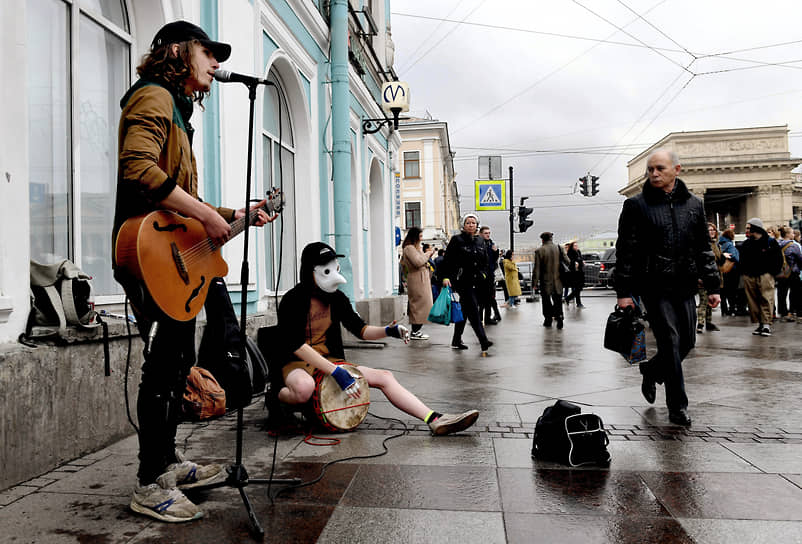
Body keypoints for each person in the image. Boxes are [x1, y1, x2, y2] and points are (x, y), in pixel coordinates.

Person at [111, 21, 277, 522]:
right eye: (209, 53)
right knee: (163, 367)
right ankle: (148, 481)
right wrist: (207, 216)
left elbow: (184, 205)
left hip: (171, 254)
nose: (217, 64)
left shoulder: (178, 113)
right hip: (147, 253)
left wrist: (234, 215)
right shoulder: (153, 97)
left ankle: (166, 463)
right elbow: (139, 168)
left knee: (177, 362)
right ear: (180, 52)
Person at [272, 242, 479, 436]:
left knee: (384, 377)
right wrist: (336, 372)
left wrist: (388, 331)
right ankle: (276, 398)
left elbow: (360, 329)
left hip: (330, 362)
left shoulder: (336, 298)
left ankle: (434, 419)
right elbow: (296, 345)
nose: (335, 275)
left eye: (335, 268)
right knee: (303, 388)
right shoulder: (293, 300)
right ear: (311, 272)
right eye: (327, 270)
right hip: (296, 364)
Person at [613, 149, 720, 427]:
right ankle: (678, 407)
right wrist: (623, 292)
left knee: (687, 342)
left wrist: (713, 285)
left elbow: (702, 248)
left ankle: (651, 369)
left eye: (660, 168)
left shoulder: (694, 204)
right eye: (650, 169)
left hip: (684, 284)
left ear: (677, 170)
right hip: (653, 285)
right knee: (670, 342)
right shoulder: (636, 206)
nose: (654, 174)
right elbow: (624, 250)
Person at [440, 214, 493, 353]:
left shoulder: (480, 241)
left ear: (477, 225)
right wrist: (445, 277)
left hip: (478, 282)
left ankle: (456, 339)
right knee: (473, 310)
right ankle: (483, 340)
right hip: (462, 281)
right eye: (468, 223)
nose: (471, 225)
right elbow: (448, 261)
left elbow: (485, 262)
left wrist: (484, 274)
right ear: (463, 225)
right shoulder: (457, 240)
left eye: (473, 223)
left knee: (464, 310)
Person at [740, 218, 782, 336]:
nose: (746, 230)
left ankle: (766, 324)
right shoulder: (747, 243)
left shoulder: (770, 242)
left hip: (765, 275)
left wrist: (772, 272)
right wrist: (744, 272)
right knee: (753, 301)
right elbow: (742, 259)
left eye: (748, 228)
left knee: (766, 298)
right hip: (749, 276)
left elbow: (778, 259)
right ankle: (760, 324)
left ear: (755, 228)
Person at [401, 227, 434, 340]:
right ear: (414, 237)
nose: (421, 238)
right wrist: (427, 254)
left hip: (421, 278)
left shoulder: (415, 248)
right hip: (417, 279)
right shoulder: (409, 248)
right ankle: (415, 331)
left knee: (424, 304)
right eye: (420, 236)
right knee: (419, 305)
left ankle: (416, 330)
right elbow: (418, 262)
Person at [534, 231, 569, 329]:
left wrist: (534, 283)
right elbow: (568, 261)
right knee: (558, 301)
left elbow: (536, 269)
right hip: (558, 281)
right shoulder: (559, 248)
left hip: (545, 282)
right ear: (551, 238)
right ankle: (560, 318)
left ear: (542, 239)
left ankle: (548, 319)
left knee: (546, 301)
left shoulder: (539, 251)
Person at [697, 223, 724, 333]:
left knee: (710, 301)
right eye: (709, 230)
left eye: (713, 230)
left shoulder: (716, 244)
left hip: (714, 277)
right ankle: (700, 323)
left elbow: (718, 261)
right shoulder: (702, 245)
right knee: (703, 301)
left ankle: (708, 322)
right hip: (704, 277)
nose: (712, 232)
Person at [777, 226, 802, 322]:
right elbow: (800, 258)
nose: (793, 234)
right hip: (792, 272)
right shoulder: (793, 245)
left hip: (781, 272)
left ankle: (783, 313)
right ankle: (798, 313)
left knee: (781, 293)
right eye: (792, 233)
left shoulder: (777, 244)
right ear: (787, 234)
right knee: (796, 293)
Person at [478, 226, 502, 325]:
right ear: (481, 234)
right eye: (485, 233)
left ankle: (487, 318)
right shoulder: (478, 244)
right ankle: (479, 318)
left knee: (489, 298)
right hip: (481, 275)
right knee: (481, 299)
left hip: (490, 275)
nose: (488, 235)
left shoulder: (491, 244)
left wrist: (496, 252)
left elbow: (493, 260)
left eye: (489, 233)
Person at [718, 228, 740, 316]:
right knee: (732, 291)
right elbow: (734, 257)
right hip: (731, 271)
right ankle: (732, 309)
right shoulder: (730, 245)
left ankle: (724, 309)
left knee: (723, 291)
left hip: (722, 270)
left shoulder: (720, 245)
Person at [563, 241, 585, 308]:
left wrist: (581, 262)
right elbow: (570, 261)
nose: (576, 247)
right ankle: (578, 303)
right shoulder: (570, 252)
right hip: (573, 273)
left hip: (579, 272)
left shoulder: (578, 251)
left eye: (577, 245)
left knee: (578, 288)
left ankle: (568, 298)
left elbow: (580, 259)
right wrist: (576, 263)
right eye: (575, 246)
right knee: (577, 288)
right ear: (572, 246)